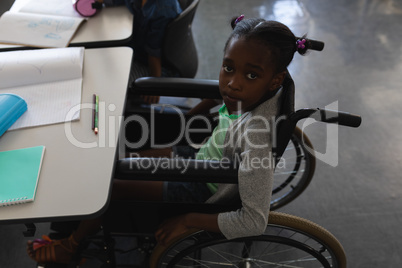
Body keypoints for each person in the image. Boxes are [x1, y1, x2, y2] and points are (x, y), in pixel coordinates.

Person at [26, 16, 314, 264]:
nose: (232, 84)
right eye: (228, 68)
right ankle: (80, 216)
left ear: (275, 81)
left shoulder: (257, 135)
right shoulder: (250, 94)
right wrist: (194, 115)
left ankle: (71, 245)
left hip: (202, 187)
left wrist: (189, 220)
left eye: (251, 74)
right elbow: (224, 97)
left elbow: (254, 220)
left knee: (110, 184)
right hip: (202, 157)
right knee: (125, 162)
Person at [104, 0, 182, 104]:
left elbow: (154, 54)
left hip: (156, 68)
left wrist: (154, 85)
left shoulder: (164, 9)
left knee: (110, 79)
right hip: (139, 50)